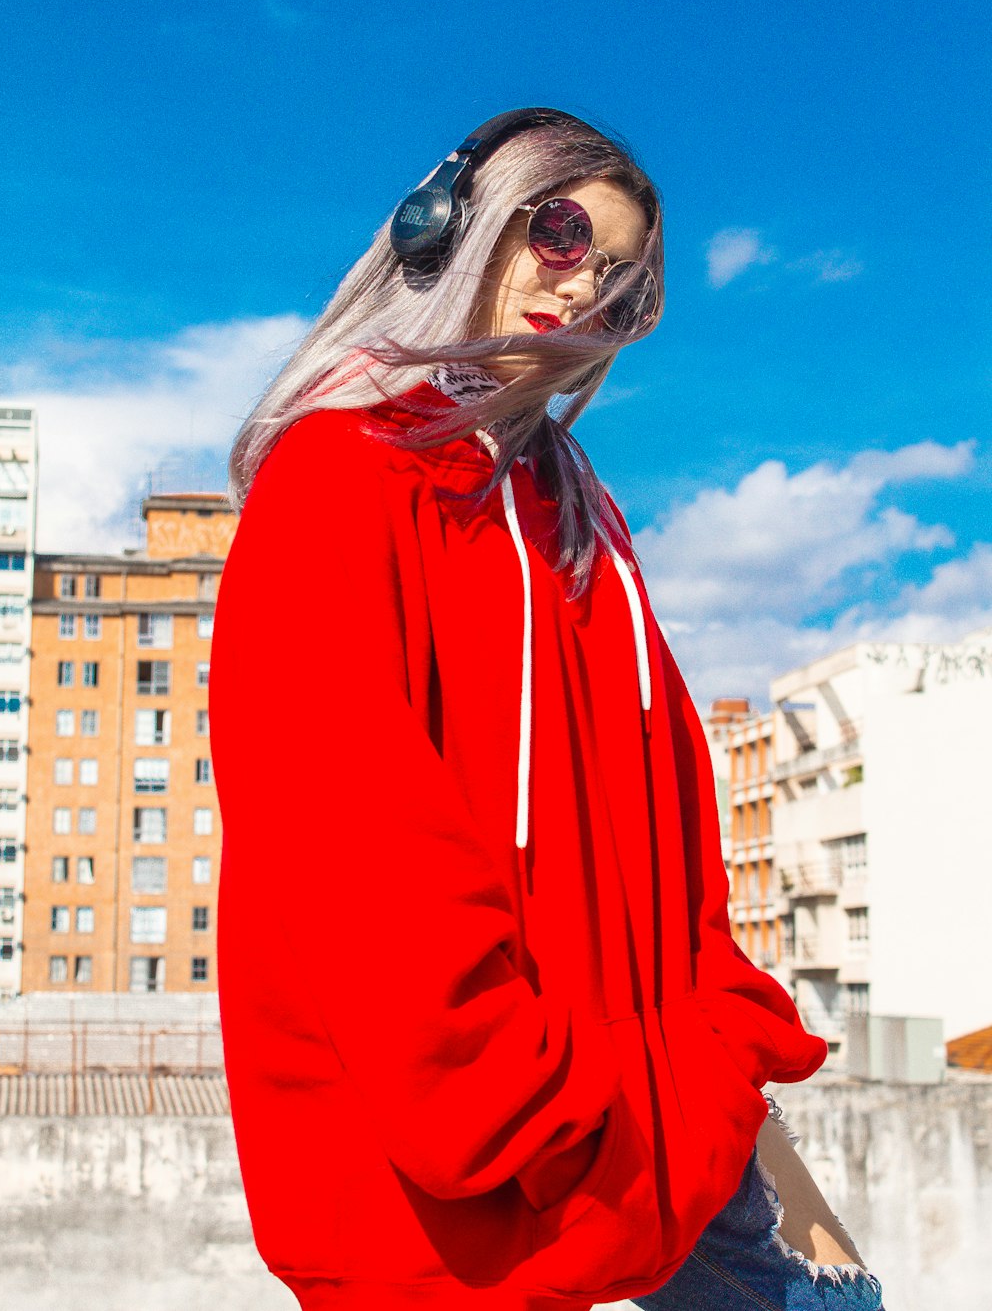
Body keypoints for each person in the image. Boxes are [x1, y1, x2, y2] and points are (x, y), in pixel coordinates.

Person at [210, 109, 885, 1311]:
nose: (583, 294)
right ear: (453, 226)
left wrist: (716, 1065)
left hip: (651, 1131)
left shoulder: (579, 521)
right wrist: (533, 1108)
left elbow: (674, 826)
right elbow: (362, 846)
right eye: (564, 235)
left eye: (622, 287)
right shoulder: (338, 479)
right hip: (455, 1184)